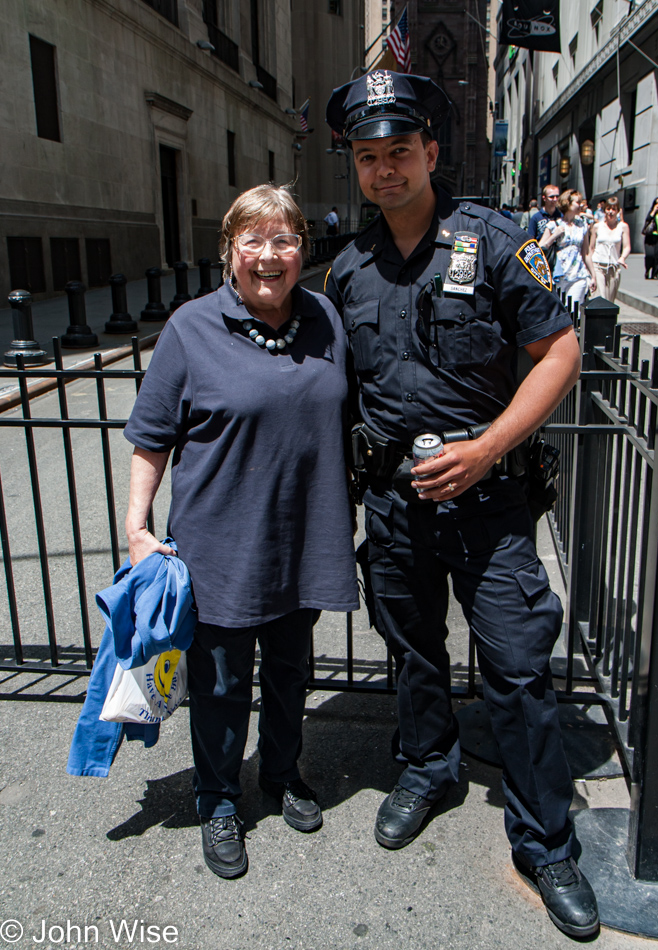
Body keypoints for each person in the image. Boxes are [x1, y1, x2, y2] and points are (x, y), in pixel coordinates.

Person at [325, 70, 599, 938]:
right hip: (395, 507)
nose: (384, 171)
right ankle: (428, 768)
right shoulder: (348, 268)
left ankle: (544, 841)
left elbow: (558, 351)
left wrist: (488, 448)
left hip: (489, 510)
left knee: (518, 670)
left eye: (398, 152)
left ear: (430, 153)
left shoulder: (496, 240)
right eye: (368, 158)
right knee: (411, 654)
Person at [123, 184, 359, 879]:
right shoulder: (191, 329)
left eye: (283, 239)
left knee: (290, 673)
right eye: (251, 240)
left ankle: (282, 775)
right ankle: (218, 796)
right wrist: (135, 527)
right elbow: (149, 436)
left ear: (301, 251)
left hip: (304, 535)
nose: (267, 255)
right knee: (221, 681)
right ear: (228, 250)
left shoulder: (323, 318)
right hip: (220, 544)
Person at [539, 189, 596, 309]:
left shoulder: (582, 225)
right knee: (559, 312)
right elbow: (540, 248)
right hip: (558, 275)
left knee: (573, 312)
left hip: (578, 275)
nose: (581, 205)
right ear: (567, 203)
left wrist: (593, 275)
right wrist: (554, 236)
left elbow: (586, 253)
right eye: (578, 202)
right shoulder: (554, 225)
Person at [587, 196, 631, 302]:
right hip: (598, 266)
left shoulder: (623, 227)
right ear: (604, 210)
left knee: (610, 302)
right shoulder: (597, 226)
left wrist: (622, 258)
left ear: (618, 211)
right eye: (608, 209)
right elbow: (591, 248)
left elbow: (627, 246)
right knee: (600, 298)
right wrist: (590, 270)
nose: (610, 212)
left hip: (613, 268)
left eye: (613, 209)